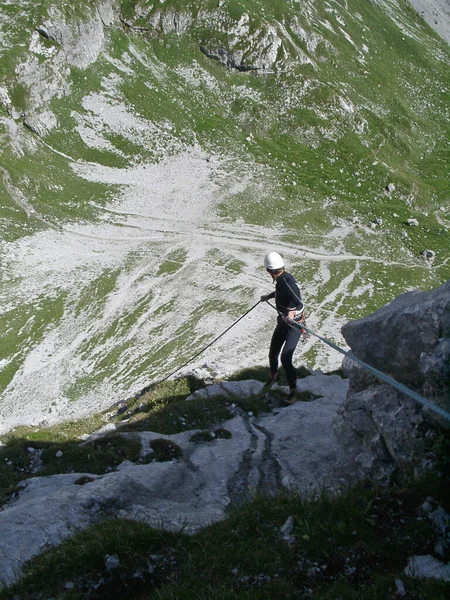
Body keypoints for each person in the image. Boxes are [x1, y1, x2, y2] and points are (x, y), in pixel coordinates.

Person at [260, 251, 305, 403]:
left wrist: (292, 312)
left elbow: (299, 302)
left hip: (294, 326)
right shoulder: (281, 280)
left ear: (269, 271)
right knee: (272, 353)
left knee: (285, 358)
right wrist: (269, 296)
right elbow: (281, 292)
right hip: (283, 323)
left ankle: (293, 392)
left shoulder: (287, 281)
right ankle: (273, 377)